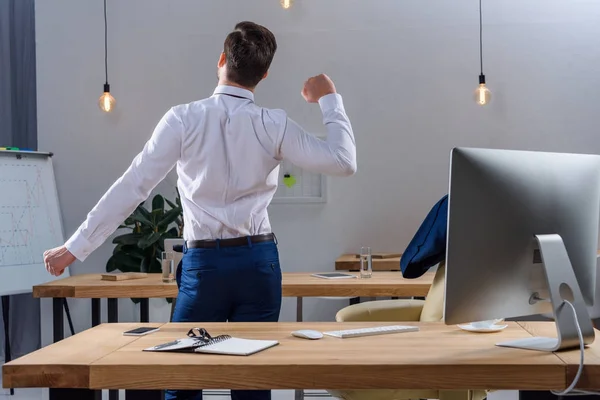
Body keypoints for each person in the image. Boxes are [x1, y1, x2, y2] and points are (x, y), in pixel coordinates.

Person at [43, 21, 356, 400]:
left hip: (204, 266)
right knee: (252, 384)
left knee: (183, 381)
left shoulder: (182, 118)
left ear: (222, 60)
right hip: (259, 262)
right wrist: (329, 98)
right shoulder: (273, 123)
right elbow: (343, 160)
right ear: (265, 74)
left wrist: (74, 248)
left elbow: (133, 185)